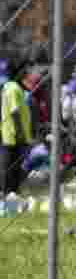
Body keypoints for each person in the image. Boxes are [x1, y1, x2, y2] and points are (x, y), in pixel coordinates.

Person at [0, 61, 32, 195]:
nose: (25, 74)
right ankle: (10, 191)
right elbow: (15, 112)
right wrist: (20, 133)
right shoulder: (13, 88)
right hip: (14, 134)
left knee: (10, 164)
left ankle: (11, 191)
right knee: (12, 165)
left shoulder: (8, 87)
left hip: (9, 133)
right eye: (24, 71)